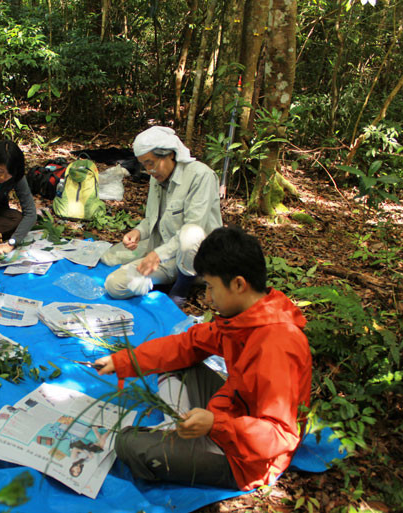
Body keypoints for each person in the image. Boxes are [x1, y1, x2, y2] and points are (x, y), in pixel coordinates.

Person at [94, 227, 312, 490]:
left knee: (127, 444)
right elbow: (187, 345)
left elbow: (280, 435)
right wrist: (122, 362)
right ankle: (185, 434)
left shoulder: (276, 346)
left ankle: (186, 440)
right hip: (231, 411)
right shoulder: (244, 319)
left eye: (211, 287)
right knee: (176, 363)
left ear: (239, 284)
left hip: (247, 459)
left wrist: (215, 425)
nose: (207, 298)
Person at [100, 126, 222, 306]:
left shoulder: (201, 176)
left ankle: (183, 285)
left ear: (170, 154)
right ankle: (170, 279)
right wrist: (138, 232)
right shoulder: (155, 177)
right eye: (144, 165)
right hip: (166, 254)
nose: (148, 170)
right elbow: (152, 219)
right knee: (114, 285)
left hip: (198, 257)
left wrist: (157, 255)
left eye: (151, 163)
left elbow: (195, 228)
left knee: (190, 233)